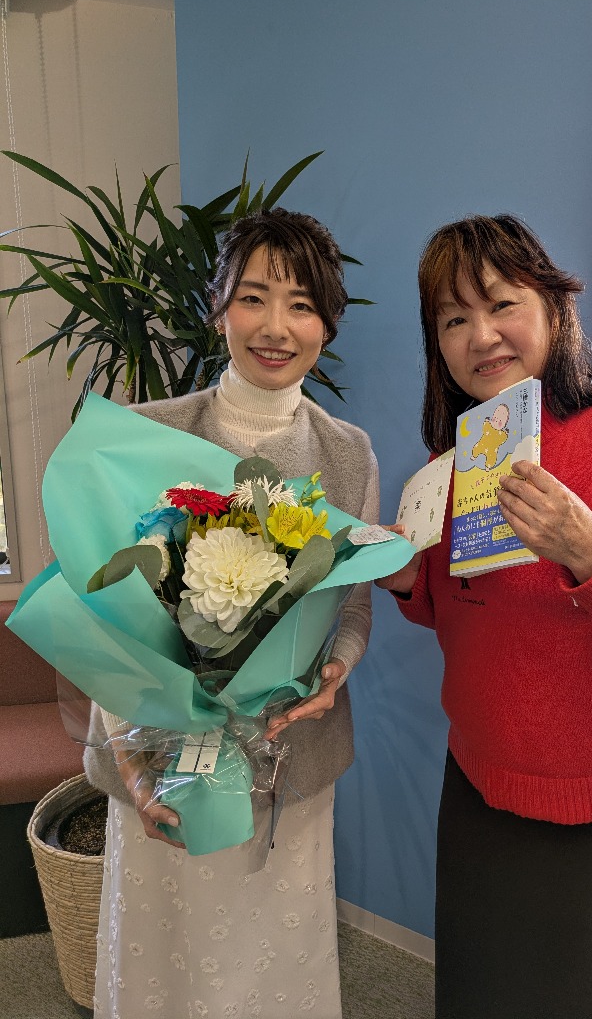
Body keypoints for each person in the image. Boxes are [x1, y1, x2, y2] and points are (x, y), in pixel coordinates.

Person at [377, 214, 592, 1019]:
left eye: (501, 304)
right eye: (453, 320)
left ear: (553, 309)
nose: (481, 336)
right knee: (475, 992)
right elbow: (470, 614)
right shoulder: (452, 463)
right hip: (476, 781)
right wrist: (406, 582)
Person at [84, 208, 379, 1019]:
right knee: (167, 968)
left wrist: (336, 670)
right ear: (218, 309)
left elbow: (354, 606)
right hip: (163, 765)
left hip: (292, 764)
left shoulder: (348, 454)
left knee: (273, 969)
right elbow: (108, 624)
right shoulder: (147, 436)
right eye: (253, 298)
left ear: (327, 326)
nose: (275, 327)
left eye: (301, 305)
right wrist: (136, 771)